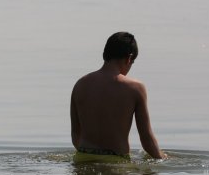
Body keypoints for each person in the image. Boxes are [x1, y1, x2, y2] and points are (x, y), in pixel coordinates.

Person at [70, 32, 166, 162]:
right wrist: (161, 158)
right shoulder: (135, 88)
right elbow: (146, 139)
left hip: (82, 159)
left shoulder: (80, 84)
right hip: (117, 161)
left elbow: (76, 134)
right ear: (129, 58)